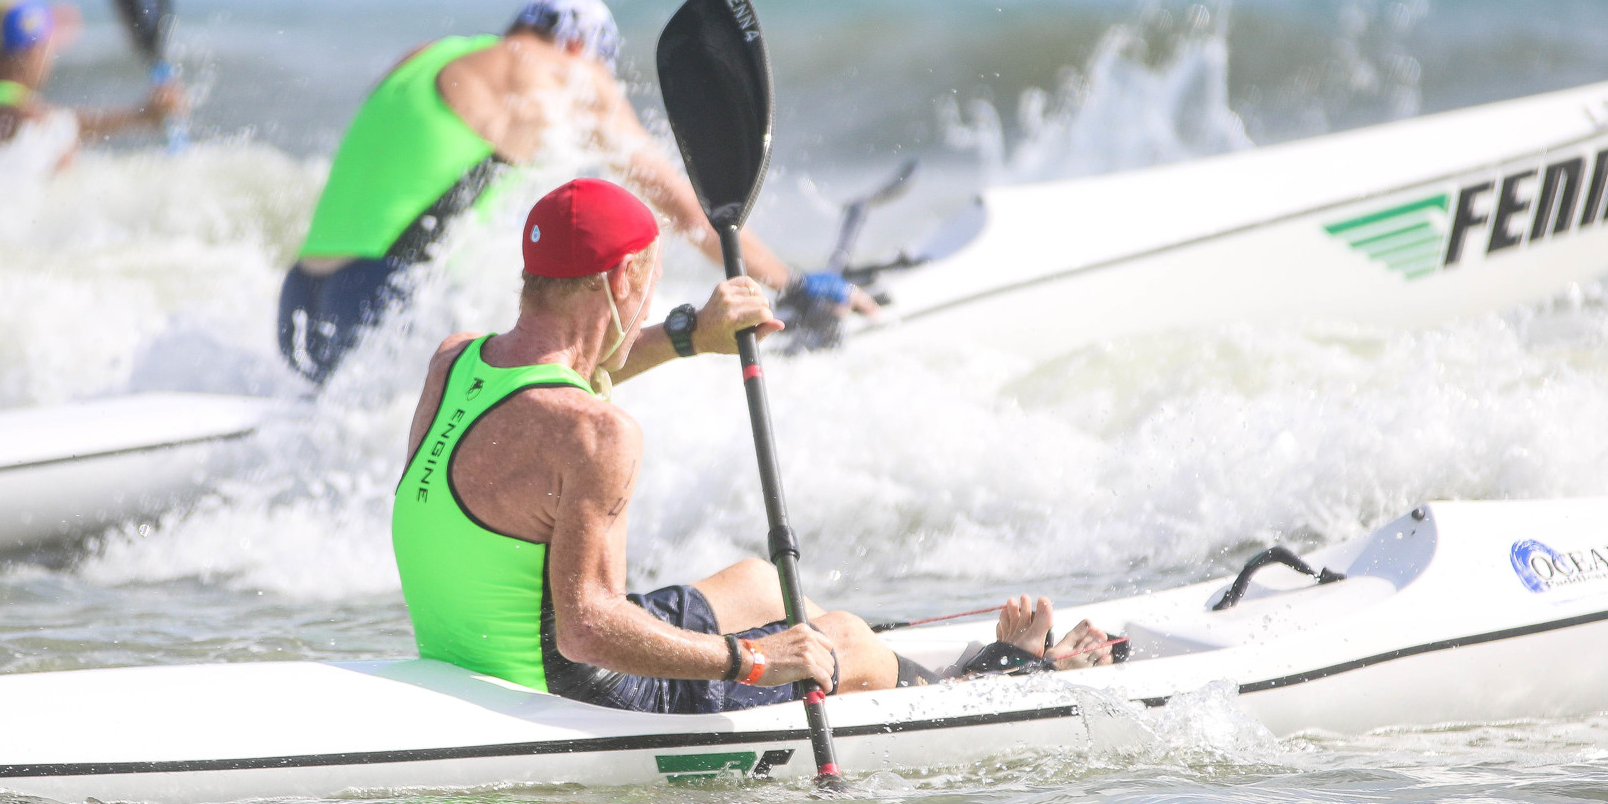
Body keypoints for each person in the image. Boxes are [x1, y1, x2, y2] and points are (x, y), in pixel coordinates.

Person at [390, 177, 1105, 715]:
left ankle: (854, 668)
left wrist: (684, 335)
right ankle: (992, 685)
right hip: (572, 693)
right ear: (621, 279)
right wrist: (753, 660)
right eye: (651, 282)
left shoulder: (458, 363)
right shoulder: (597, 434)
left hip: (479, 652)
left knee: (763, 583)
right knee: (843, 638)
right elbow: (587, 629)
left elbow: (562, 377)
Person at [278, 0, 873, 384]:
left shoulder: (429, 55)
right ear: (579, 48)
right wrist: (787, 284)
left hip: (301, 298)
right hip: (376, 301)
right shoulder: (566, 70)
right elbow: (682, 203)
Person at [0, 0, 184, 178]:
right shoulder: (16, 111)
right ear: (30, 54)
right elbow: (60, 125)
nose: (50, 59)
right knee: (63, 152)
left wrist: (141, 117)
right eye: (48, 49)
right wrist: (141, 117)